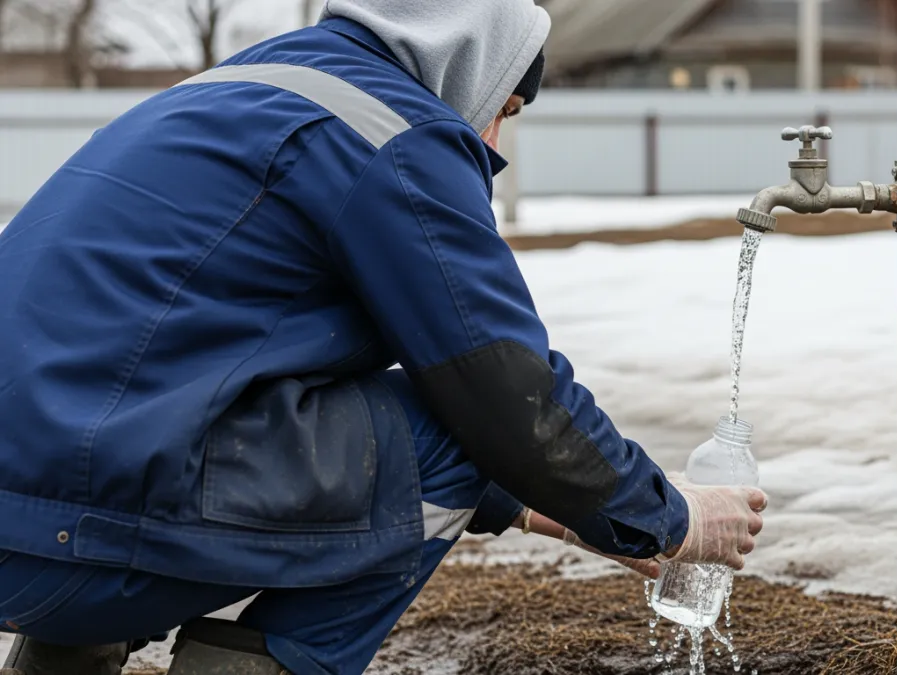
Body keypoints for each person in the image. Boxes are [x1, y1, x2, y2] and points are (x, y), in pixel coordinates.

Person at [0, 1, 768, 674]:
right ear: (476, 69)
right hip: (83, 537)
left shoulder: (237, 88)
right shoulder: (393, 133)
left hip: (30, 531)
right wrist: (672, 517)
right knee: (462, 425)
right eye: (509, 108)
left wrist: (546, 507)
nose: (496, 143)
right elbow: (509, 397)